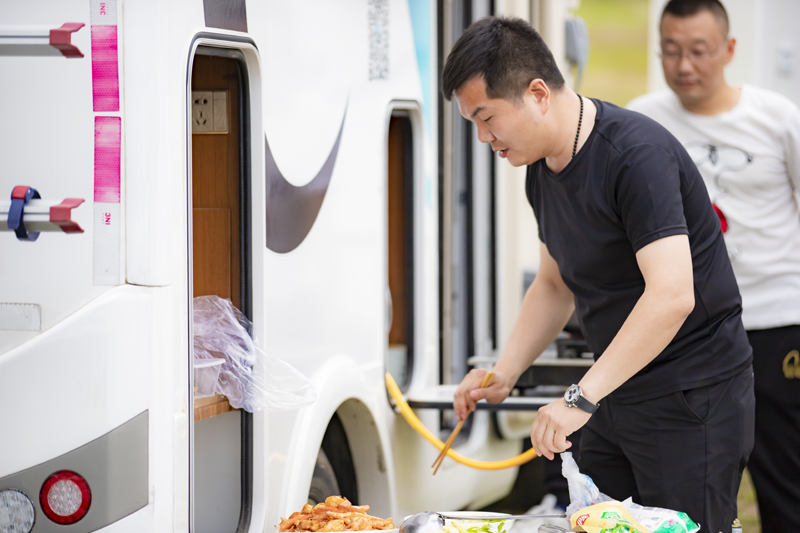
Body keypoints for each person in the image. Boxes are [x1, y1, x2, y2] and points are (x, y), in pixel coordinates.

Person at [443, 16, 755, 533]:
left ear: (537, 94)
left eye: (486, 117)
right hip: (615, 388)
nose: (482, 137)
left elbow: (672, 295)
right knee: (594, 523)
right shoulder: (541, 169)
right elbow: (554, 284)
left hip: (692, 394)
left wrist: (579, 398)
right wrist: (505, 374)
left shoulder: (635, 156)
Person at [628, 1, 800, 530]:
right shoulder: (640, 119)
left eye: (699, 51)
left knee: (786, 476)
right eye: (671, 51)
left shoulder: (777, 118)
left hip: (774, 320)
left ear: (728, 50)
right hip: (685, 331)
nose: (684, 66)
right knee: (686, 480)